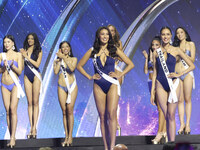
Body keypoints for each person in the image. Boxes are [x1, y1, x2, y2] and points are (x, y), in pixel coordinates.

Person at [77, 26, 134, 150]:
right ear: (98, 36)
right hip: (98, 85)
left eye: (107, 34)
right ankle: (106, 147)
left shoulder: (114, 49)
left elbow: (130, 64)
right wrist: (89, 76)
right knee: (102, 116)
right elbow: (79, 66)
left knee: (111, 114)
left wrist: (120, 74)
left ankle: (112, 146)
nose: (105, 36)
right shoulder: (93, 50)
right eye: (102, 34)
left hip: (112, 84)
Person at [150, 27, 195, 142]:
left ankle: (171, 143)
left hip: (174, 83)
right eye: (163, 34)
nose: (165, 37)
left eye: (168, 34)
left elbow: (192, 65)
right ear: (161, 36)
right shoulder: (156, 52)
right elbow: (155, 72)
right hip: (160, 83)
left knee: (171, 115)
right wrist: (152, 92)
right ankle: (168, 140)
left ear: (170, 36)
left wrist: (179, 73)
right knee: (167, 115)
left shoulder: (176, 50)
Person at [142, 36, 167, 144]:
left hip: (158, 82)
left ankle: (162, 132)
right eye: (153, 45)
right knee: (159, 108)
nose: (155, 47)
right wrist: (146, 59)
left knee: (162, 108)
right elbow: (145, 71)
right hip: (150, 82)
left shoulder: (161, 55)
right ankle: (163, 131)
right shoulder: (151, 55)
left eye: (157, 45)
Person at [0, 35, 23, 148]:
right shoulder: (1, 55)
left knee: (13, 109)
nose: (6, 44)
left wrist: (13, 66)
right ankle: (10, 136)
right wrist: (3, 68)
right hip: (4, 85)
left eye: (8, 42)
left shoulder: (18, 55)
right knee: (8, 111)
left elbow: (20, 71)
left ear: (13, 43)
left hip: (15, 85)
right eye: (5, 42)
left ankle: (13, 137)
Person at [53, 41, 78, 147]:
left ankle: (71, 136)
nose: (65, 48)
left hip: (72, 86)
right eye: (63, 47)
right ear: (60, 49)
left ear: (70, 48)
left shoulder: (73, 59)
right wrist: (59, 60)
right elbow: (55, 72)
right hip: (61, 86)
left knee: (69, 110)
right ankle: (66, 136)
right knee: (64, 112)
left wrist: (64, 57)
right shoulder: (57, 60)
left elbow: (72, 68)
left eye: (67, 46)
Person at [173, 27, 196, 135]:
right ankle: (181, 124)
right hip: (178, 74)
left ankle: (187, 124)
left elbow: (192, 59)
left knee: (187, 99)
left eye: (181, 32)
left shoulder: (190, 44)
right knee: (180, 100)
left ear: (185, 33)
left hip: (187, 73)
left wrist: (182, 54)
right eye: (177, 33)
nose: (179, 34)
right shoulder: (175, 47)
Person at [20, 33, 42, 139]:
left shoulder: (39, 51)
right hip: (26, 76)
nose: (30, 40)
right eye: (28, 39)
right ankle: (31, 128)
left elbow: (37, 64)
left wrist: (26, 57)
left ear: (35, 40)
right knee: (29, 103)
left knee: (35, 102)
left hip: (36, 75)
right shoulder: (24, 50)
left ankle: (34, 128)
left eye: (32, 39)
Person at [107, 24, 123, 135]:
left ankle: (116, 122)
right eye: (108, 31)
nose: (111, 32)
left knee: (115, 100)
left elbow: (122, 57)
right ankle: (109, 122)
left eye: (112, 31)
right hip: (105, 71)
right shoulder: (101, 44)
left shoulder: (118, 43)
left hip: (116, 70)